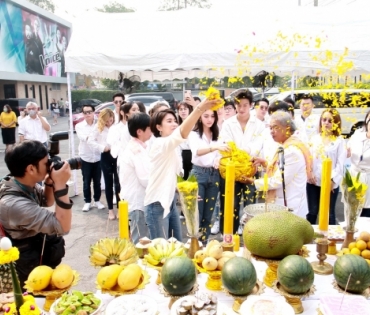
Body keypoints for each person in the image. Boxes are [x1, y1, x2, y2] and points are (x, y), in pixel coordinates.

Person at [144, 96, 221, 240]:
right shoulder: (160, 144)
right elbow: (182, 132)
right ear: (158, 127)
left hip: (171, 202)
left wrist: (185, 191)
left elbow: (172, 176)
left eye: (174, 121)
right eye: (169, 121)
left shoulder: (175, 147)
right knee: (162, 254)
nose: (174, 124)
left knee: (177, 246)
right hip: (157, 204)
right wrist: (199, 108)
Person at [0, 140, 72, 288]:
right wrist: (60, 185)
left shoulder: (19, 182)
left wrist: (50, 181)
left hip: (33, 253)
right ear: (31, 169)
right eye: (46, 164)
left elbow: (47, 201)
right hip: (25, 267)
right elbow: (63, 226)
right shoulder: (14, 204)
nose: (49, 166)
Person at [219, 90, 265, 234]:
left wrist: (242, 152)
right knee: (230, 206)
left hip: (251, 170)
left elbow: (258, 145)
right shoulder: (228, 124)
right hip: (232, 171)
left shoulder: (259, 124)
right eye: (239, 105)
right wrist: (240, 153)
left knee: (250, 206)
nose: (242, 108)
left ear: (251, 105)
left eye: (245, 105)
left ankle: (250, 238)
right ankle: (229, 238)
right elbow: (226, 144)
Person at [248, 111, 309, 218]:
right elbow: (281, 171)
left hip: (290, 208)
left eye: (275, 127)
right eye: (270, 128)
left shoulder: (292, 151)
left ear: (288, 128)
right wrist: (266, 164)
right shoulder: (286, 145)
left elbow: (279, 181)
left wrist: (254, 182)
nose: (271, 131)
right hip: (285, 206)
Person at [188, 109, 229, 243]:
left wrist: (218, 158)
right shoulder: (194, 134)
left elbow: (220, 154)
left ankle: (204, 244)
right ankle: (194, 244)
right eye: (206, 116)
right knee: (196, 214)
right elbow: (197, 152)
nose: (209, 119)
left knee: (209, 213)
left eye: (212, 116)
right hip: (199, 174)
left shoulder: (217, 133)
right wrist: (215, 147)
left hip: (214, 174)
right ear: (200, 117)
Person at [306, 109, 346, 225]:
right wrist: (310, 172)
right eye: (324, 120)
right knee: (312, 212)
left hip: (330, 183)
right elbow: (309, 159)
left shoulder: (339, 141)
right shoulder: (314, 139)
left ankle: (331, 241)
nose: (326, 123)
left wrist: (332, 181)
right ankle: (308, 240)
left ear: (336, 123)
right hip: (313, 182)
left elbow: (340, 164)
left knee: (329, 214)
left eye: (330, 120)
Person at [119, 113, 152, 243]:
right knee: (141, 243)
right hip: (138, 203)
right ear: (139, 131)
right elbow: (145, 179)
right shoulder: (135, 151)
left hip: (139, 201)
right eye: (149, 128)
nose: (152, 130)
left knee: (143, 241)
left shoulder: (139, 147)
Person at [88, 108, 120, 220]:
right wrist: (102, 147)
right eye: (107, 121)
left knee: (118, 183)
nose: (109, 123)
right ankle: (111, 210)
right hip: (105, 156)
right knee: (108, 184)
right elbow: (90, 141)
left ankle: (120, 209)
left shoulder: (116, 127)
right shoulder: (98, 128)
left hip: (117, 156)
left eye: (111, 120)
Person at [75, 105, 105, 212]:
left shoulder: (99, 125)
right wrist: (93, 137)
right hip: (86, 157)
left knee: (97, 181)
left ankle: (97, 200)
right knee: (86, 181)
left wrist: (93, 138)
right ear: (83, 114)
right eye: (85, 112)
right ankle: (87, 201)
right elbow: (84, 138)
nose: (88, 114)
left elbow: (101, 137)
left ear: (94, 113)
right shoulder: (79, 126)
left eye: (90, 112)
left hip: (97, 156)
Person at [347, 110, 370, 217]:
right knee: (351, 212)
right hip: (354, 176)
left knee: (366, 213)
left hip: (368, 178)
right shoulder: (358, 134)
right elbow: (348, 147)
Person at [177, 102, 193, 180]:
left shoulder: (194, 124)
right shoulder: (176, 126)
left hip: (193, 153)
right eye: (181, 109)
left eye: (185, 109)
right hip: (182, 154)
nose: (183, 111)